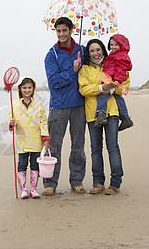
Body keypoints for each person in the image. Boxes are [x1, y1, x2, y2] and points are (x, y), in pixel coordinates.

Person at [78, 39, 130, 195]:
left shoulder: (113, 62)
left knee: (112, 147)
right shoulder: (84, 69)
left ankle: (115, 183)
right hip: (92, 113)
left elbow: (125, 84)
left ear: (103, 50)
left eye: (98, 49)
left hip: (111, 111)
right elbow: (83, 90)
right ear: (88, 53)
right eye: (92, 50)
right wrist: (101, 88)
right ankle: (98, 183)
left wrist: (112, 89)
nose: (95, 53)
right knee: (95, 149)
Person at [43, 16, 86, 196]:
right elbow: (53, 82)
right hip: (58, 106)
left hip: (79, 105)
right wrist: (72, 71)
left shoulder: (81, 50)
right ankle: (50, 183)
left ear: (71, 30)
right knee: (54, 147)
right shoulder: (51, 54)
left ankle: (76, 181)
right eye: (58, 31)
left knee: (78, 145)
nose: (61, 34)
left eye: (64, 30)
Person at [8, 77, 50, 199]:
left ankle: (33, 189)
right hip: (22, 141)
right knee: (22, 164)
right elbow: (11, 122)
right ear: (20, 89)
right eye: (24, 88)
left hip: (36, 140)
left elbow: (43, 123)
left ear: (33, 89)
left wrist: (45, 138)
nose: (27, 90)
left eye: (29, 88)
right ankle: (24, 190)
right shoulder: (14, 105)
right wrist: (11, 123)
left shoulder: (38, 105)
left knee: (34, 165)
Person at [94, 34, 134, 131]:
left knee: (103, 95)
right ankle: (125, 117)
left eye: (116, 45)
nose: (113, 47)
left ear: (122, 45)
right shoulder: (114, 54)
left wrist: (117, 80)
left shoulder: (121, 56)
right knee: (118, 98)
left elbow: (121, 69)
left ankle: (101, 113)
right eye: (111, 45)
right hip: (112, 79)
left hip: (114, 80)